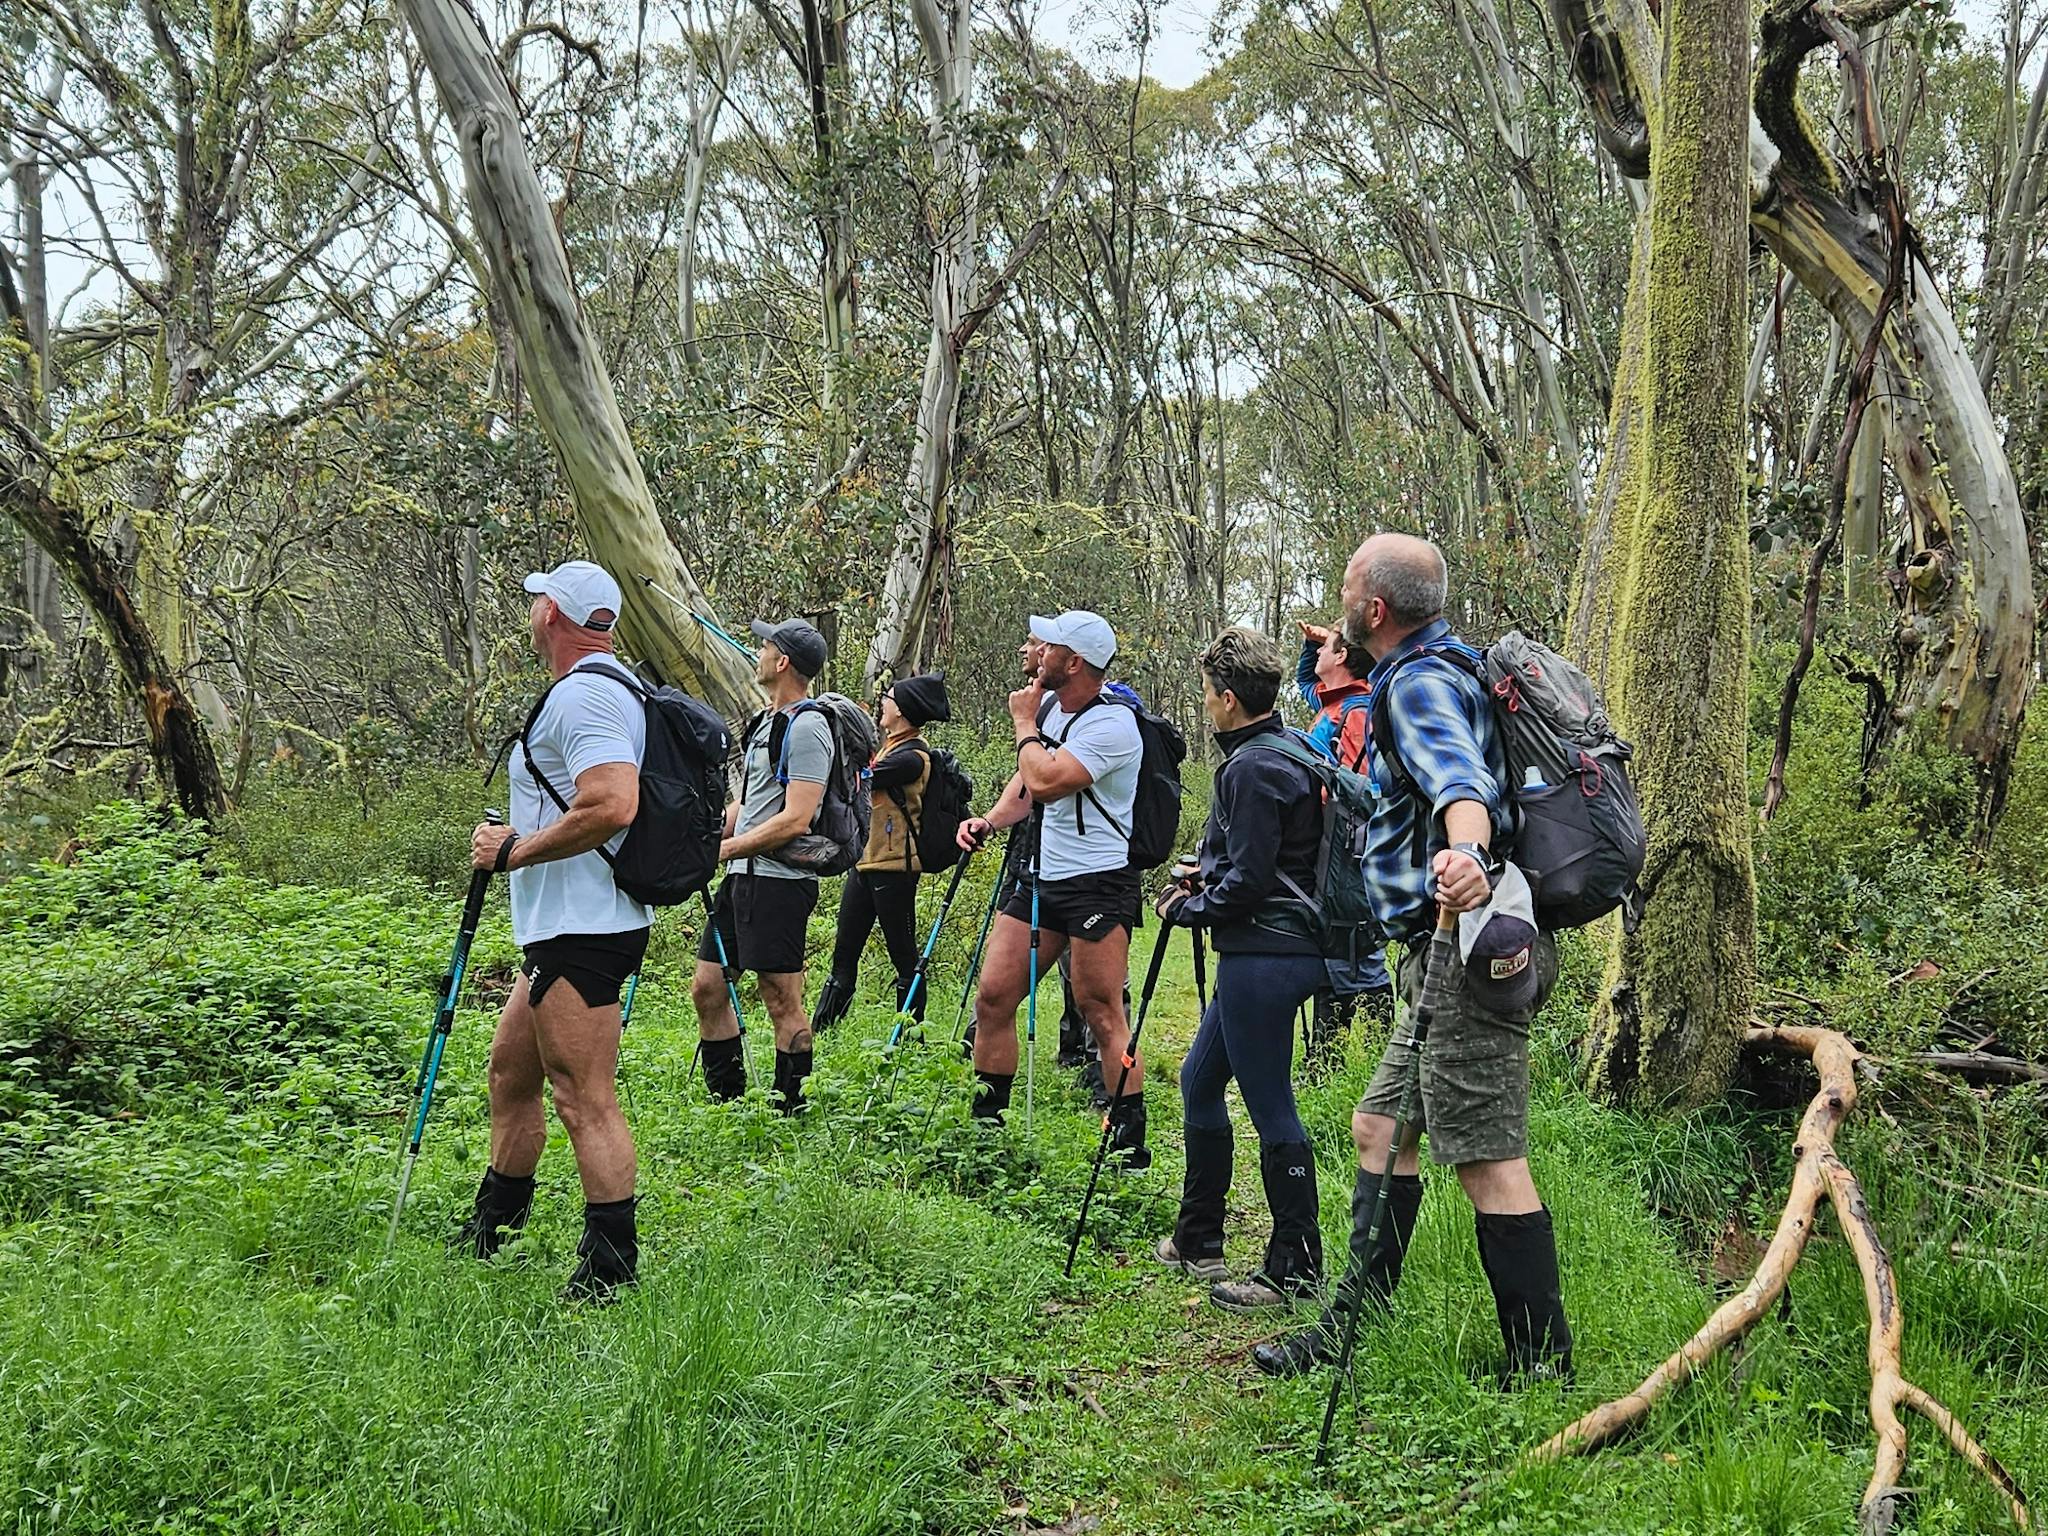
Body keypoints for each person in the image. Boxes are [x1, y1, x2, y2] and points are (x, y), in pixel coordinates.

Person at [1255, 533, 1572, 1384]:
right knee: (1380, 1127)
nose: (1339, 603)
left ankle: (1542, 1365)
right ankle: (1355, 1320)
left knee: (1487, 1158)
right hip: (1437, 953)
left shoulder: (1423, 682)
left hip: (1467, 950)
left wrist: (1465, 855)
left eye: (1347, 591)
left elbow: (1460, 784)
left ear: (1375, 610)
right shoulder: (1434, 662)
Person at [462, 559, 648, 1303]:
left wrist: (515, 851)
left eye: (539, 596)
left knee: (583, 1098)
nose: (533, 606)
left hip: (585, 928)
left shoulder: (585, 699)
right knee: (512, 1074)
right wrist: (528, 834)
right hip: (566, 927)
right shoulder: (610, 689)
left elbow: (611, 803)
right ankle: (493, 1228)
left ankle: (610, 1271)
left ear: (553, 616)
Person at [1153, 627, 1328, 1310]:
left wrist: (1188, 906)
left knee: (1270, 1105)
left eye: (1205, 694)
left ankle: (1295, 1269)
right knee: (1199, 1080)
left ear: (1228, 699)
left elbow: (1252, 880)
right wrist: (1211, 874)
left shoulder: (1252, 767)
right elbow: (1271, 860)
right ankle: (1199, 1240)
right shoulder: (1290, 752)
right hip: (1272, 950)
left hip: (1268, 954)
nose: (1204, 705)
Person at [956, 610, 1149, 1165]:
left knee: (1100, 1010)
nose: (1036, 652)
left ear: (1074, 661)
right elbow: (1025, 788)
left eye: (1049, 647)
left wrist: (1023, 725)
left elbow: (1047, 777)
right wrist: (990, 822)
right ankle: (985, 1131)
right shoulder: (1048, 711)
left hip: (1097, 883)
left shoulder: (1112, 724)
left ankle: (1126, 1144)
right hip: (1040, 876)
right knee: (994, 996)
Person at [691, 617, 833, 1113]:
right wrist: (709, 835)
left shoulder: (810, 727)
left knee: (779, 997)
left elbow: (797, 818)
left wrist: (727, 850)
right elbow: (750, 807)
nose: (758, 654)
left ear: (783, 661)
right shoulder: (764, 723)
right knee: (707, 988)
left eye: (764, 646)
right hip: (741, 880)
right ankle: (726, 1104)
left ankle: (791, 1108)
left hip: (780, 883)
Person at [811, 672, 953, 1033]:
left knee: (904, 956)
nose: (882, 704)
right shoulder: (891, 748)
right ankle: (823, 1032)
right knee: (844, 953)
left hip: (894, 868)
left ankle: (909, 1037)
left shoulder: (912, 757)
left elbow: (859, 776)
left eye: (888, 698)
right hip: (865, 863)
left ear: (902, 711)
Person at [1294, 620, 1394, 1072]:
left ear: (1342, 658)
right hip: (1325, 845)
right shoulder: (1331, 700)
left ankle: (1380, 1049)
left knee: (1354, 943)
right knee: (1329, 946)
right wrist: (1312, 640)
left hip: (1350, 847)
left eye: (1325, 649)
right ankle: (1324, 1059)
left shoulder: (1357, 711)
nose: (1317, 657)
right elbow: (1303, 680)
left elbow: (1365, 788)